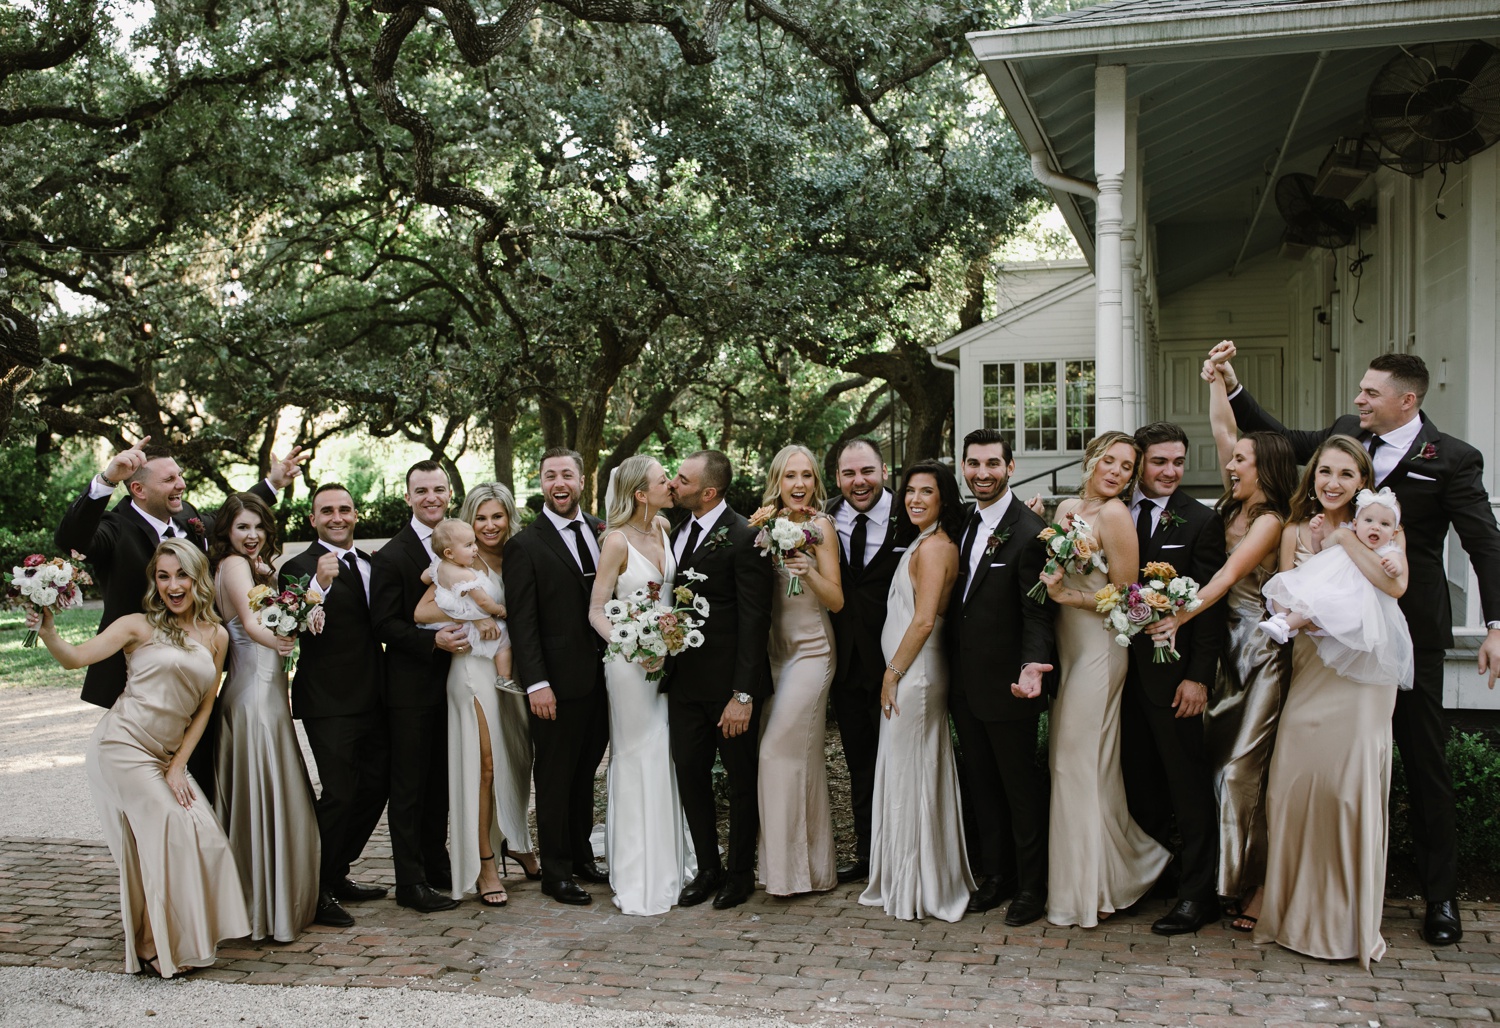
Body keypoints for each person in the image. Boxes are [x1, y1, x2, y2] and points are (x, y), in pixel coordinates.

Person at [1215, 342, 1500, 946]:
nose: (1357, 400)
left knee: (1425, 761)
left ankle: (1440, 897)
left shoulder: (1452, 458)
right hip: (1326, 641)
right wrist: (1233, 388)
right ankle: (1309, 885)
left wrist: (1497, 625)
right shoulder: (1346, 435)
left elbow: (1484, 542)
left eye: (1370, 392)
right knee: (1323, 764)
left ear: (1407, 400)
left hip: (1407, 633)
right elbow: (1281, 438)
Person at [27, 539, 249, 977]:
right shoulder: (137, 626)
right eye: (163, 576)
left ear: (197, 578)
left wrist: (178, 763)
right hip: (122, 747)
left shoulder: (216, 635)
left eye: (181, 575)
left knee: (204, 836)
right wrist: (49, 631)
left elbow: (206, 705)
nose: (172, 585)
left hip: (164, 756)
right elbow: (75, 660)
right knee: (170, 835)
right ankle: (151, 946)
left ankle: (173, 937)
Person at [55, 437, 302, 800]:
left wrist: (272, 483)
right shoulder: (112, 527)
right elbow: (71, 539)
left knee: (201, 785)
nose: (181, 484)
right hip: (142, 685)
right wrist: (107, 479)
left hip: (199, 673)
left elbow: (229, 518)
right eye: (169, 479)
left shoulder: (188, 518)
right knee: (149, 793)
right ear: (137, 488)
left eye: (180, 476)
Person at [1235, 436, 1404, 965]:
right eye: (1324, 472)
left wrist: (1350, 540)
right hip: (1310, 669)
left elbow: (1393, 589)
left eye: (1346, 475)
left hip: (1361, 683)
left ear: (1362, 482)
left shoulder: (1381, 525)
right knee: (1294, 785)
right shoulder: (1292, 531)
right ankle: (1287, 906)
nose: (1333, 483)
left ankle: (1342, 920)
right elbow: (1286, 594)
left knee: (1345, 792)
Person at [1158, 365, 1298, 915]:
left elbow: (1225, 576)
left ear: (1263, 468)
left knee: (1240, 770)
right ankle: (1218, 881)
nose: (1229, 461)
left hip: (1260, 653)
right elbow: (1223, 427)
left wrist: (1178, 616)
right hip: (1223, 652)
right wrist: (1217, 379)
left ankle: (1245, 887)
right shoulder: (1235, 501)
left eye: (1240, 458)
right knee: (1214, 766)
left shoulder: (1268, 519)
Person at [1032, 431, 1171, 928]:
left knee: (1078, 762)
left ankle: (1092, 890)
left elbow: (1129, 600)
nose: (1116, 472)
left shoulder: (1115, 516)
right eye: (1109, 461)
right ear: (1091, 460)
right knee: (1073, 764)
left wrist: (1070, 599)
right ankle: (1104, 875)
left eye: (1126, 467)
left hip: (1098, 650)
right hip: (1066, 649)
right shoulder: (1067, 505)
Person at [947, 429, 1055, 926]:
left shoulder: (1030, 530)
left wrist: (1031, 668)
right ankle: (996, 875)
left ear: (1011, 467)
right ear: (963, 467)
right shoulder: (966, 520)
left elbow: (1036, 614)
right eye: (973, 464)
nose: (982, 473)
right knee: (981, 783)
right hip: (965, 683)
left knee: (1019, 788)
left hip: (1011, 683)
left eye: (993, 464)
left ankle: (1032, 887)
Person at [859, 460, 975, 922]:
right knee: (909, 770)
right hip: (911, 670)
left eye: (927, 492)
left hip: (916, 675)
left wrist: (891, 673)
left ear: (944, 498)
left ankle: (919, 885)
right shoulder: (924, 541)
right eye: (910, 491)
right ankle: (908, 876)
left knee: (914, 774)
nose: (915, 499)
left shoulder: (935, 547)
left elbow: (924, 619)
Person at [416, 484, 540, 908]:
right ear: (468, 523)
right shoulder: (458, 563)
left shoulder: (520, 554)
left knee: (516, 762)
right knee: (485, 766)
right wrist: (478, 614)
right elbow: (423, 611)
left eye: (497, 517)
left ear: (509, 518)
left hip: (512, 674)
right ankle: (484, 861)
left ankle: (515, 840)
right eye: (481, 518)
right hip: (472, 672)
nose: (489, 526)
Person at [665, 450, 775, 910]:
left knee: (741, 778)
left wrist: (743, 694)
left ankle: (739, 872)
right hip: (684, 686)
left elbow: (755, 622)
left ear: (708, 492)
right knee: (690, 774)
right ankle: (708, 867)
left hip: (731, 690)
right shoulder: (675, 533)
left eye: (682, 479)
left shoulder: (745, 537)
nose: (673, 484)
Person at [208, 493, 320, 942]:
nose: (251, 535)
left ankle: (266, 903)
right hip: (255, 692)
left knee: (265, 796)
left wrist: (304, 603)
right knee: (266, 794)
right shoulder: (234, 566)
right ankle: (265, 907)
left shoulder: (250, 567)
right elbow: (255, 626)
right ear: (227, 533)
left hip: (261, 689)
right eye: (242, 528)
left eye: (257, 527)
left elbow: (286, 597)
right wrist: (284, 636)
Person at [586, 456, 695, 915]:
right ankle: (635, 869)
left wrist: (671, 636)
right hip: (630, 666)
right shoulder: (614, 541)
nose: (670, 483)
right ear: (639, 493)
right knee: (637, 753)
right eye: (661, 479)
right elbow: (595, 611)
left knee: (665, 750)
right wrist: (632, 645)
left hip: (668, 660)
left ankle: (671, 858)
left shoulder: (665, 529)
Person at [279, 483, 390, 928]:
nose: (337, 517)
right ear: (313, 519)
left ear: (356, 514)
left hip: (375, 695)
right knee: (340, 793)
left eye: (345, 509)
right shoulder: (296, 567)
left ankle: (338, 870)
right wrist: (319, 586)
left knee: (376, 786)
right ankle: (317, 888)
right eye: (327, 511)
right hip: (328, 700)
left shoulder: (370, 563)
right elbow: (289, 628)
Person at [504, 448, 612, 906]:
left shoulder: (603, 533)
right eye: (550, 476)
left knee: (585, 771)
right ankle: (556, 872)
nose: (559, 482)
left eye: (567, 473)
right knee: (553, 777)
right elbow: (522, 623)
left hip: (603, 679)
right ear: (542, 483)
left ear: (582, 481)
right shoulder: (524, 544)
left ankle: (582, 854)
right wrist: (536, 683)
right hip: (555, 684)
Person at [370, 461, 467, 913]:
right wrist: (433, 640)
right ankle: (410, 881)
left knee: (440, 782)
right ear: (407, 496)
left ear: (450, 494)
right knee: (409, 786)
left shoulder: (463, 543)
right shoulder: (392, 556)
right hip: (411, 687)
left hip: (459, 683)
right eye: (421, 490)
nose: (431, 497)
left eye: (439, 489)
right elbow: (385, 623)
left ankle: (436, 862)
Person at [825, 438, 916, 884]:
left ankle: (906, 853)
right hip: (847, 665)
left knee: (904, 759)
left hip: (903, 662)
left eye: (866, 471)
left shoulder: (912, 516)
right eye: (848, 474)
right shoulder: (822, 518)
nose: (858, 482)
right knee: (860, 762)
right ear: (837, 477)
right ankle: (868, 854)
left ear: (884, 470)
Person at [754, 444, 843, 898]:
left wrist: (807, 569)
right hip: (774, 652)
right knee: (798, 759)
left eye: (806, 476)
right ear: (778, 479)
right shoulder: (765, 523)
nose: (799, 485)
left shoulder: (821, 526)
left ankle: (788, 872)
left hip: (811, 650)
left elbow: (837, 600)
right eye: (790, 476)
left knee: (775, 752)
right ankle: (807, 869)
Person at [1259, 489, 1414, 689]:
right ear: (1356, 524)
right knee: (1284, 583)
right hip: (1325, 586)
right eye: (1369, 521)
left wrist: (1394, 568)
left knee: (1317, 605)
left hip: (1349, 599)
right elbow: (1321, 552)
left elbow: (1397, 570)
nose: (1376, 528)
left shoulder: (1387, 551)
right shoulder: (1346, 536)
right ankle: (1280, 618)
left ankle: (1286, 626)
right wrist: (1316, 536)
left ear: (1393, 533)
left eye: (1384, 524)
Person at [424, 518, 518, 695]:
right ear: (450, 553)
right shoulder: (466, 576)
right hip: (467, 626)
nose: (475, 548)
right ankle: (504, 677)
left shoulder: (438, 565)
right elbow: (483, 601)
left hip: (448, 624)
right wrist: (499, 610)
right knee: (504, 637)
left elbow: (424, 578)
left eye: (474, 542)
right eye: (468, 545)